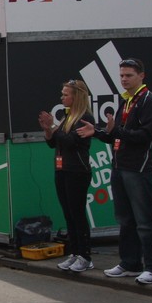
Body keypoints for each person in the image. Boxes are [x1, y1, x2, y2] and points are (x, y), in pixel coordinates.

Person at [78, 58, 152, 284]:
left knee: (145, 220)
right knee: (125, 219)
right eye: (121, 75)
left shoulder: (150, 100)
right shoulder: (126, 100)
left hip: (138, 168)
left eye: (129, 75)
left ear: (141, 76)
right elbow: (116, 135)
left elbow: (145, 136)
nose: (124, 79)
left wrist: (116, 131)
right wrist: (97, 132)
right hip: (119, 166)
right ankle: (130, 263)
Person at [39, 79, 95, 273]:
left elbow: (72, 141)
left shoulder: (84, 117)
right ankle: (75, 252)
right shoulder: (67, 116)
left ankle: (85, 256)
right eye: (62, 94)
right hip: (61, 169)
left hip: (77, 171)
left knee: (77, 213)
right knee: (68, 213)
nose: (62, 97)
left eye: (65, 94)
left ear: (76, 96)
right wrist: (48, 129)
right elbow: (53, 143)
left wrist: (53, 126)